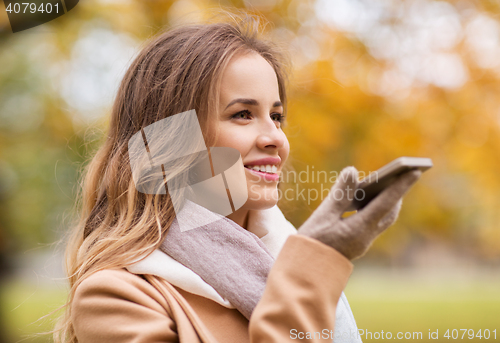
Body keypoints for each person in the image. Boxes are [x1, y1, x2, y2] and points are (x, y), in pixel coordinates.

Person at [54, 12, 421, 343]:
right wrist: (314, 264)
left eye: (276, 116)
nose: (275, 137)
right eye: (243, 114)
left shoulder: (285, 256)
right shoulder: (115, 298)